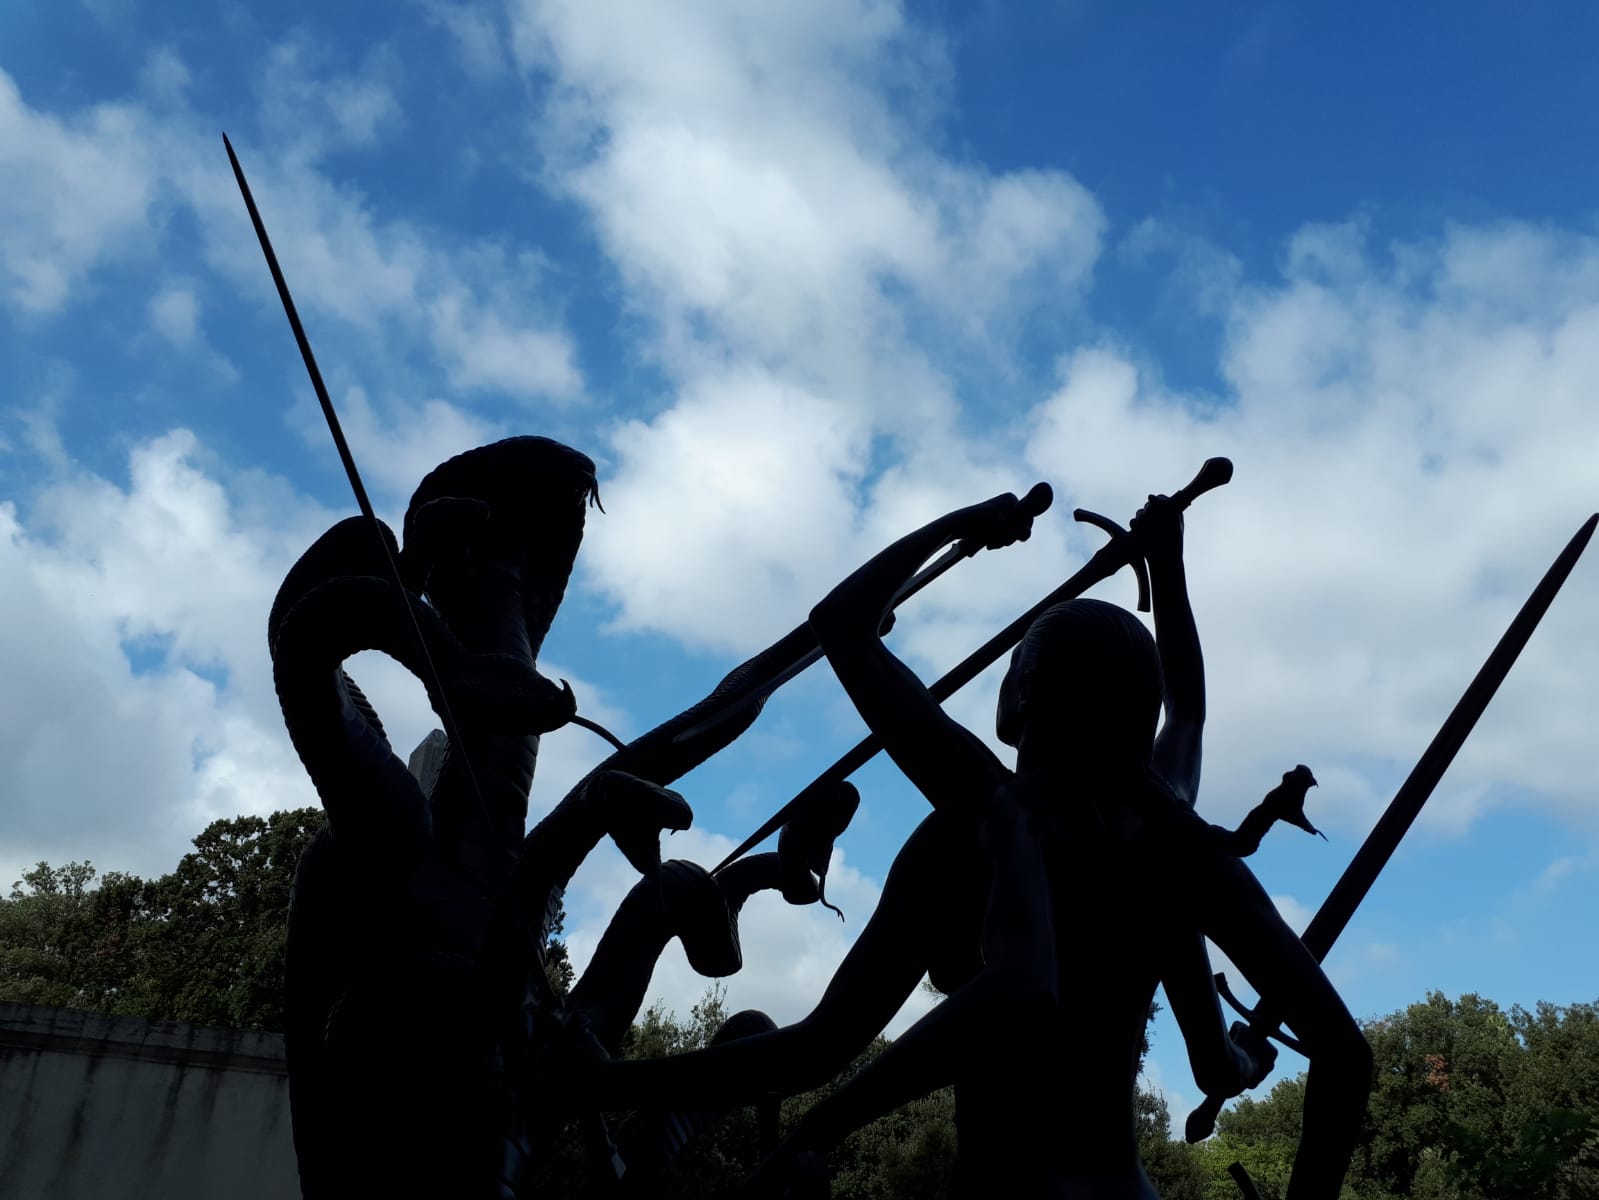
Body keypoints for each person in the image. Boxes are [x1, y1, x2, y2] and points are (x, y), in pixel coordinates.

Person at [578, 489, 1276, 1197]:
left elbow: (817, 1048)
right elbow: (1188, 712)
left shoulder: (974, 824)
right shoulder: (1161, 831)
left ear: (1025, 695)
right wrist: (1169, 565)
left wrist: (965, 525)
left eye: (1012, 668)